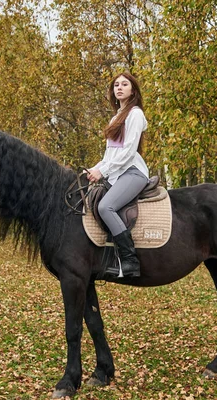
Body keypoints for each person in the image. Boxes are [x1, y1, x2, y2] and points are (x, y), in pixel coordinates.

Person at [87, 72, 150, 278]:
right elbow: (110, 155)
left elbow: (128, 151)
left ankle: (130, 260)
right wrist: (93, 169)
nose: (119, 87)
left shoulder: (135, 114)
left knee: (106, 207)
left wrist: (103, 171)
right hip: (117, 173)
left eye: (125, 84)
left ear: (133, 90)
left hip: (133, 172)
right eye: (116, 85)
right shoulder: (116, 118)